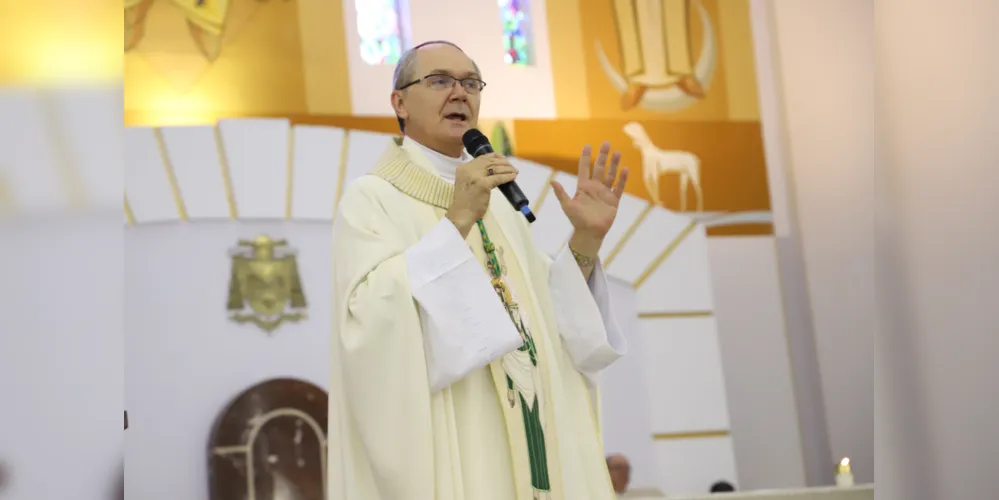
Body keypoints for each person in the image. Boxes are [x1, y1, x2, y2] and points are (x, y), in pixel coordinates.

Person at [327, 40, 630, 500]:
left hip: (533, 430)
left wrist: (585, 242)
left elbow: (547, 321)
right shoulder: (373, 199)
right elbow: (366, 323)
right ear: (399, 103)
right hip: (465, 441)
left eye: (470, 83)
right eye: (440, 81)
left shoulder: (500, 202)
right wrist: (457, 221)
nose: (459, 94)